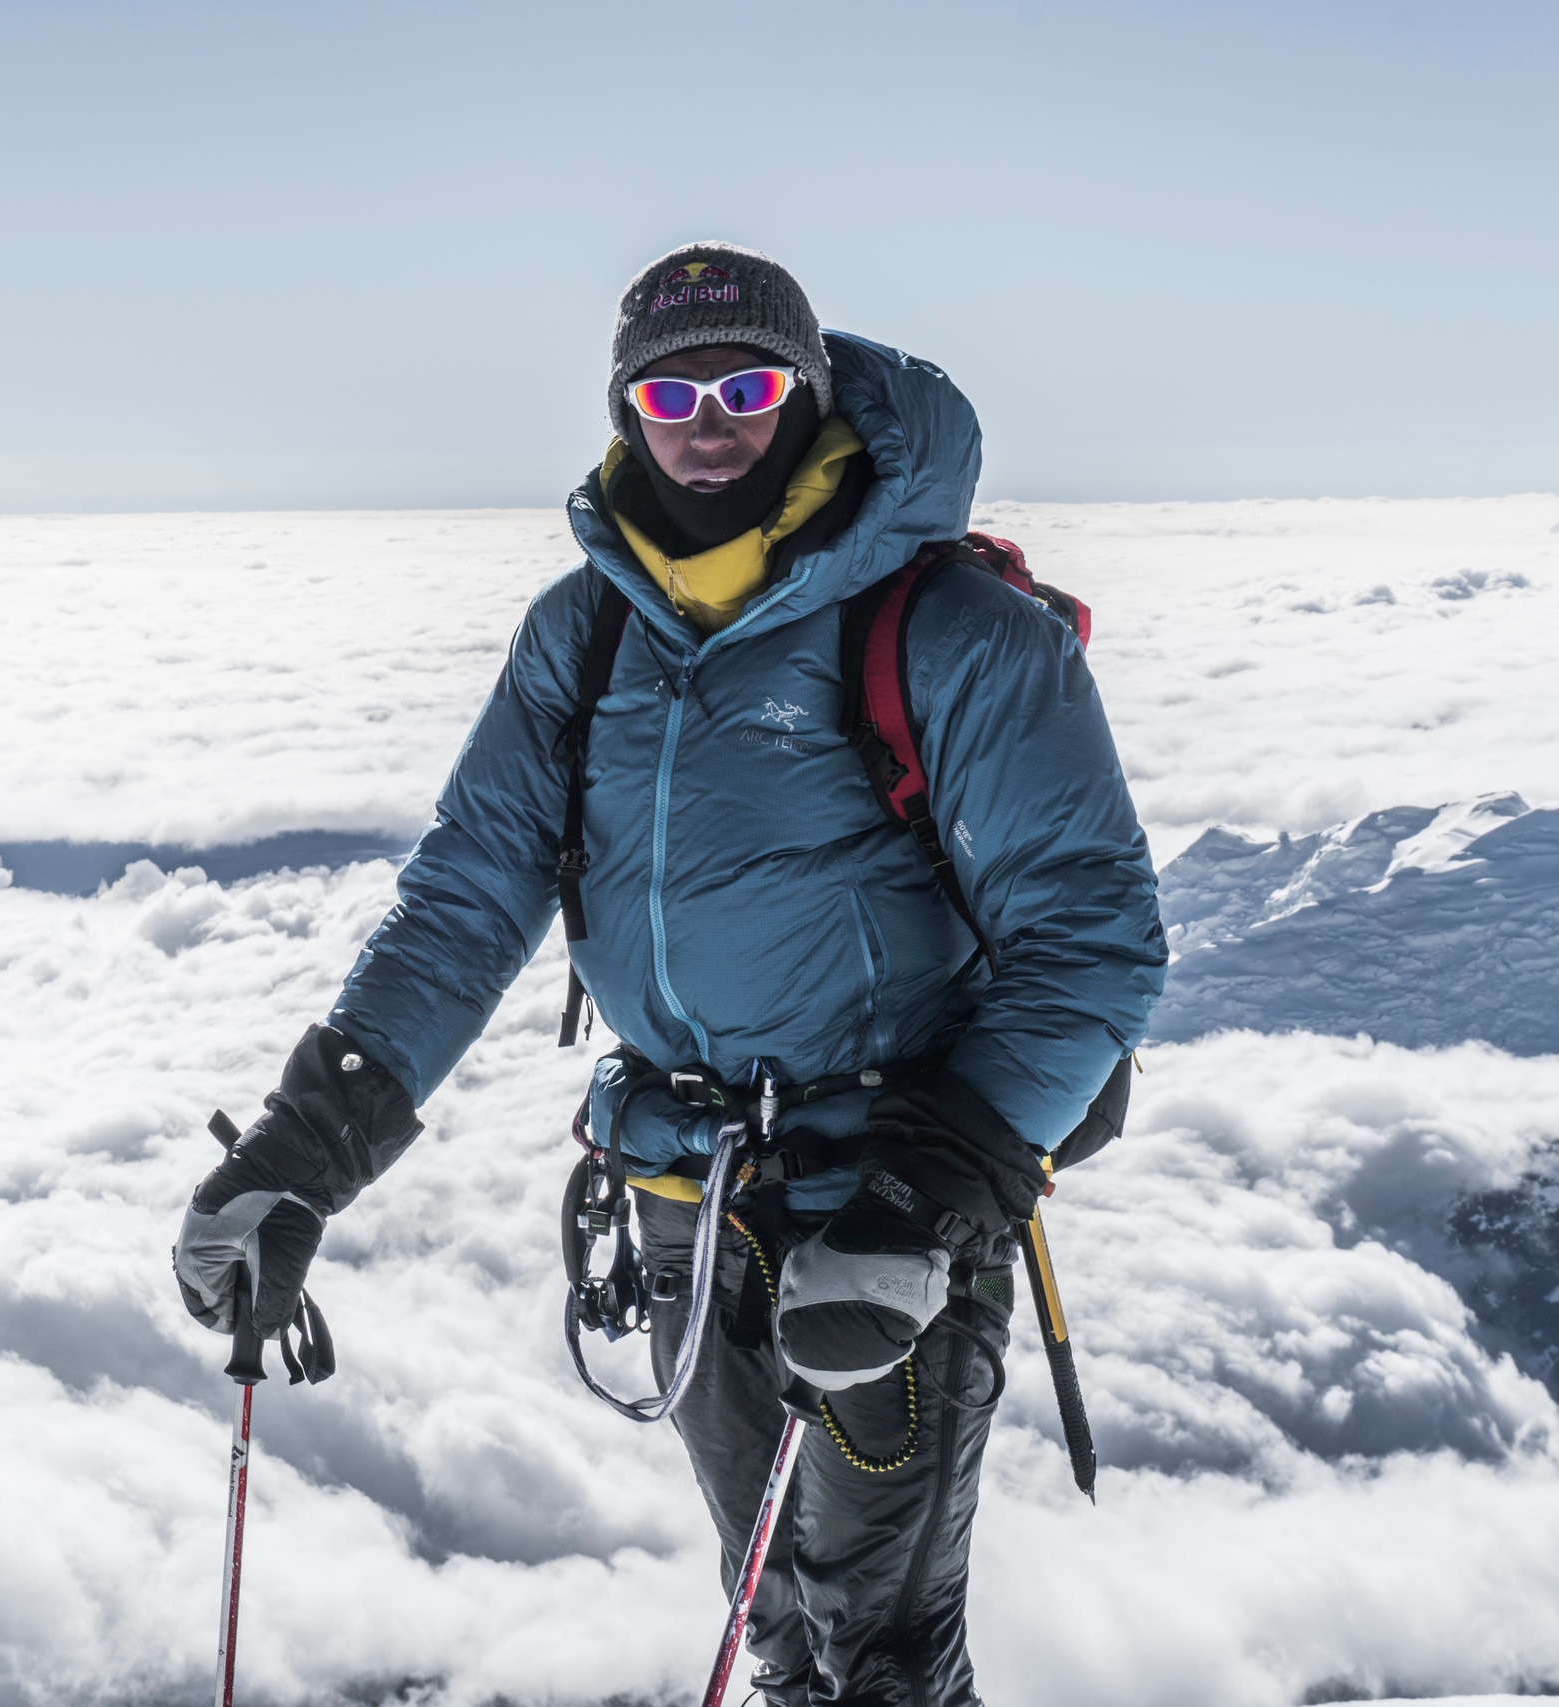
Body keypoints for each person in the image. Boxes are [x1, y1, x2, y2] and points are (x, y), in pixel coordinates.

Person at [174, 240, 1166, 1706]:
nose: (710, 421)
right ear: (624, 410)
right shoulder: (582, 636)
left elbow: (1093, 939)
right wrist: (300, 1153)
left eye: (750, 384)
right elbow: (467, 898)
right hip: (683, 1188)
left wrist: (917, 1207)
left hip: (892, 1184)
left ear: (810, 394)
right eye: (670, 390)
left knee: (880, 1653)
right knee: (776, 1624)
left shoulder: (946, 628)